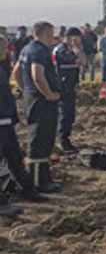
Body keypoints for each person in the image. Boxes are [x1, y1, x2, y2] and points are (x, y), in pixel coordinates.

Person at [19, 22, 62, 193]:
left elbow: (17, 72)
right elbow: (37, 75)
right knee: (41, 139)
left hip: (33, 98)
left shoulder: (27, 49)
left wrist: (26, 90)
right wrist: (48, 94)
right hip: (42, 101)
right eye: (52, 32)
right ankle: (39, 181)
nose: (53, 36)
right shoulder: (40, 51)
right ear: (46, 33)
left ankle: (44, 176)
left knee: (42, 138)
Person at [0, 41, 45, 203]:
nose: (6, 51)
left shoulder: (3, 67)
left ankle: (26, 189)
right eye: (3, 48)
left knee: (15, 158)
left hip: (6, 120)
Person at [52, 27, 86, 153]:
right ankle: (63, 141)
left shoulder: (69, 49)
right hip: (64, 86)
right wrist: (77, 47)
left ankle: (64, 139)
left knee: (69, 114)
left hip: (69, 85)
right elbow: (81, 61)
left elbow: (83, 61)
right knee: (66, 114)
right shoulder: (62, 50)